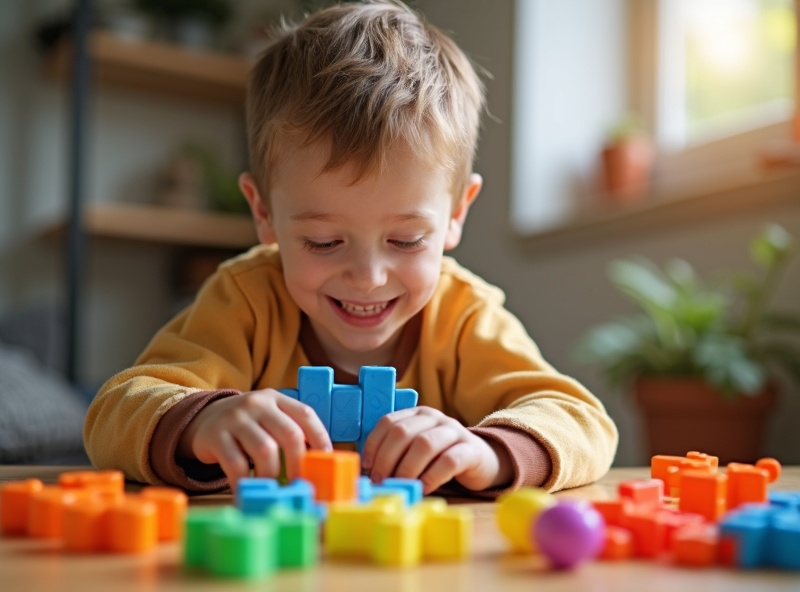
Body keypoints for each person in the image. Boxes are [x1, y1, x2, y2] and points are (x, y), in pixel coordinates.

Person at [84, 0, 618, 496]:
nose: (367, 276)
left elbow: (581, 421)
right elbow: (113, 412)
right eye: (324, 241)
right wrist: (200, 421)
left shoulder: (462, 314)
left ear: (457, 214)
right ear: (263, 213)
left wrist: (490, 451)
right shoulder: (244, 298)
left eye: (406, 240)